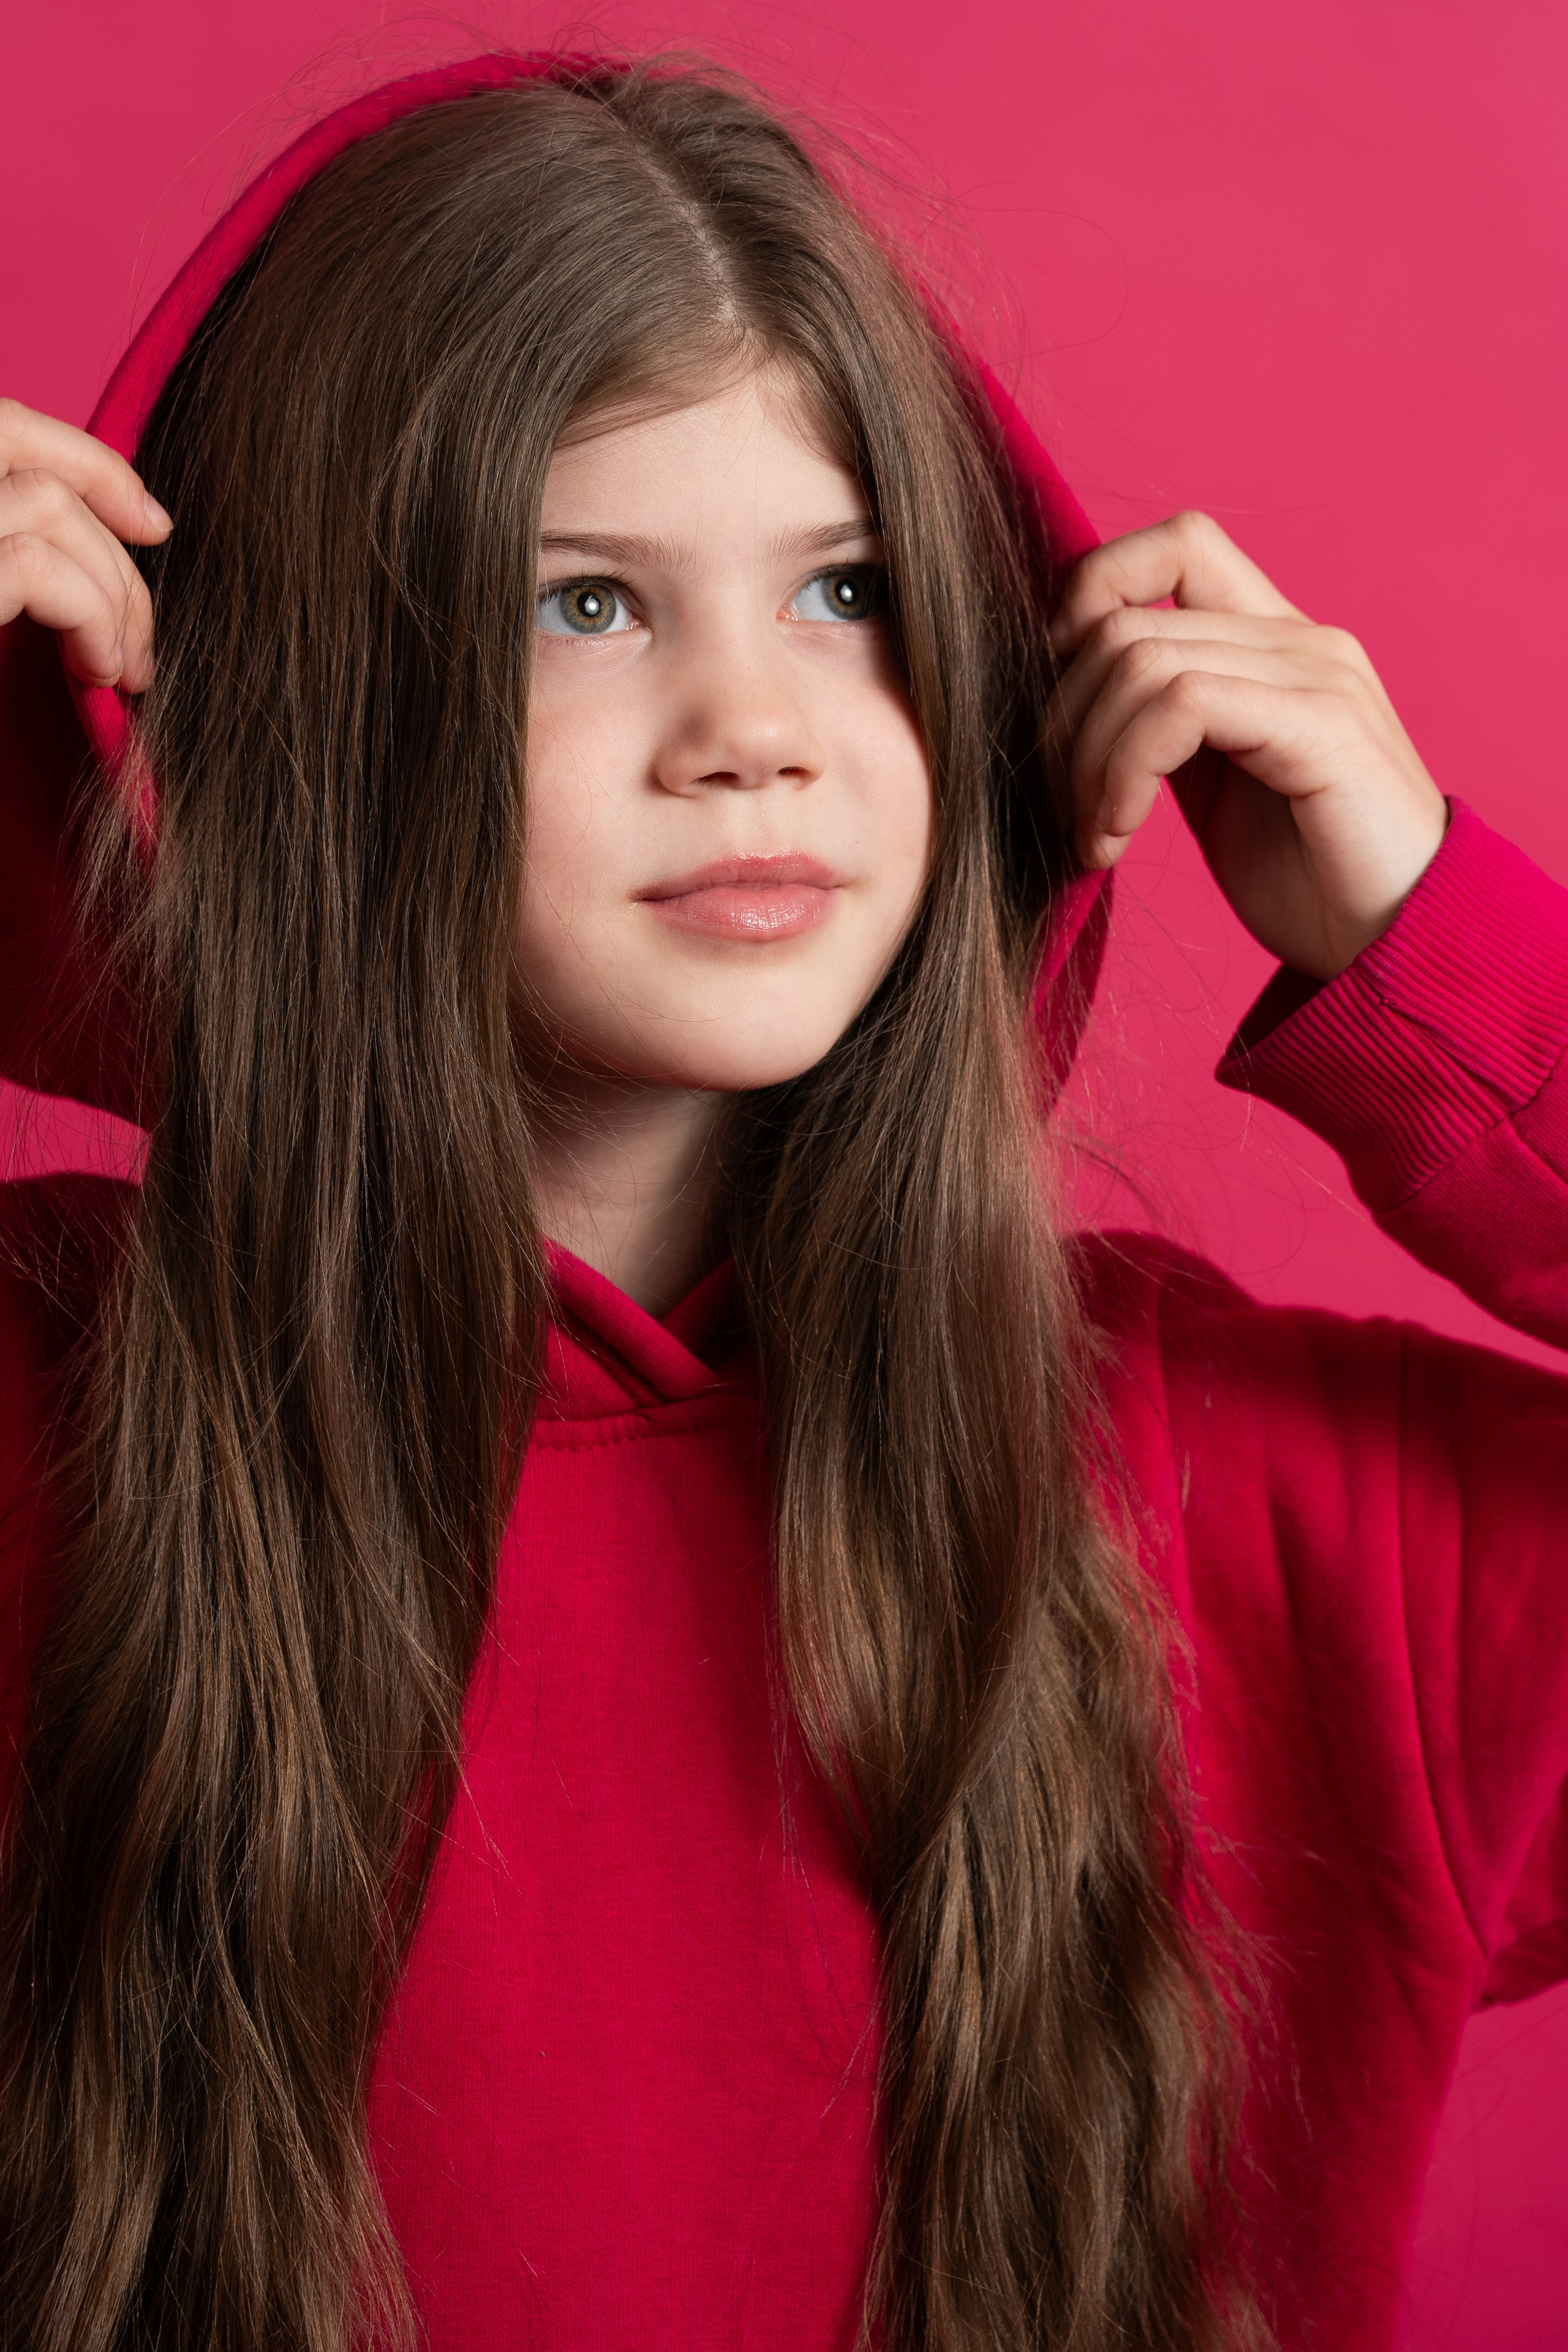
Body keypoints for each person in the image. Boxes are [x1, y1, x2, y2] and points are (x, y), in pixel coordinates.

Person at [0, 50, 1562, 2352]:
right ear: (264, 715)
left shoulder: (1239, 1495)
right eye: (583, 607)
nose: (760, 721)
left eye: (845, 584)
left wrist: (1443, 945)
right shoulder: (57, 1435)